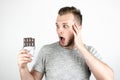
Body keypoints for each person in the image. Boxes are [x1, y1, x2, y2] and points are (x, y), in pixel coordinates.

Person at [18, 6, 114, 80]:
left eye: (65, 26)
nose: (59, 31)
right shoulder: (46, 51)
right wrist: (23, 68)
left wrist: (81, 48)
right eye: (57, 26)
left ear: (78, 28)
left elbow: (108, 78)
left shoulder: (89, 51)